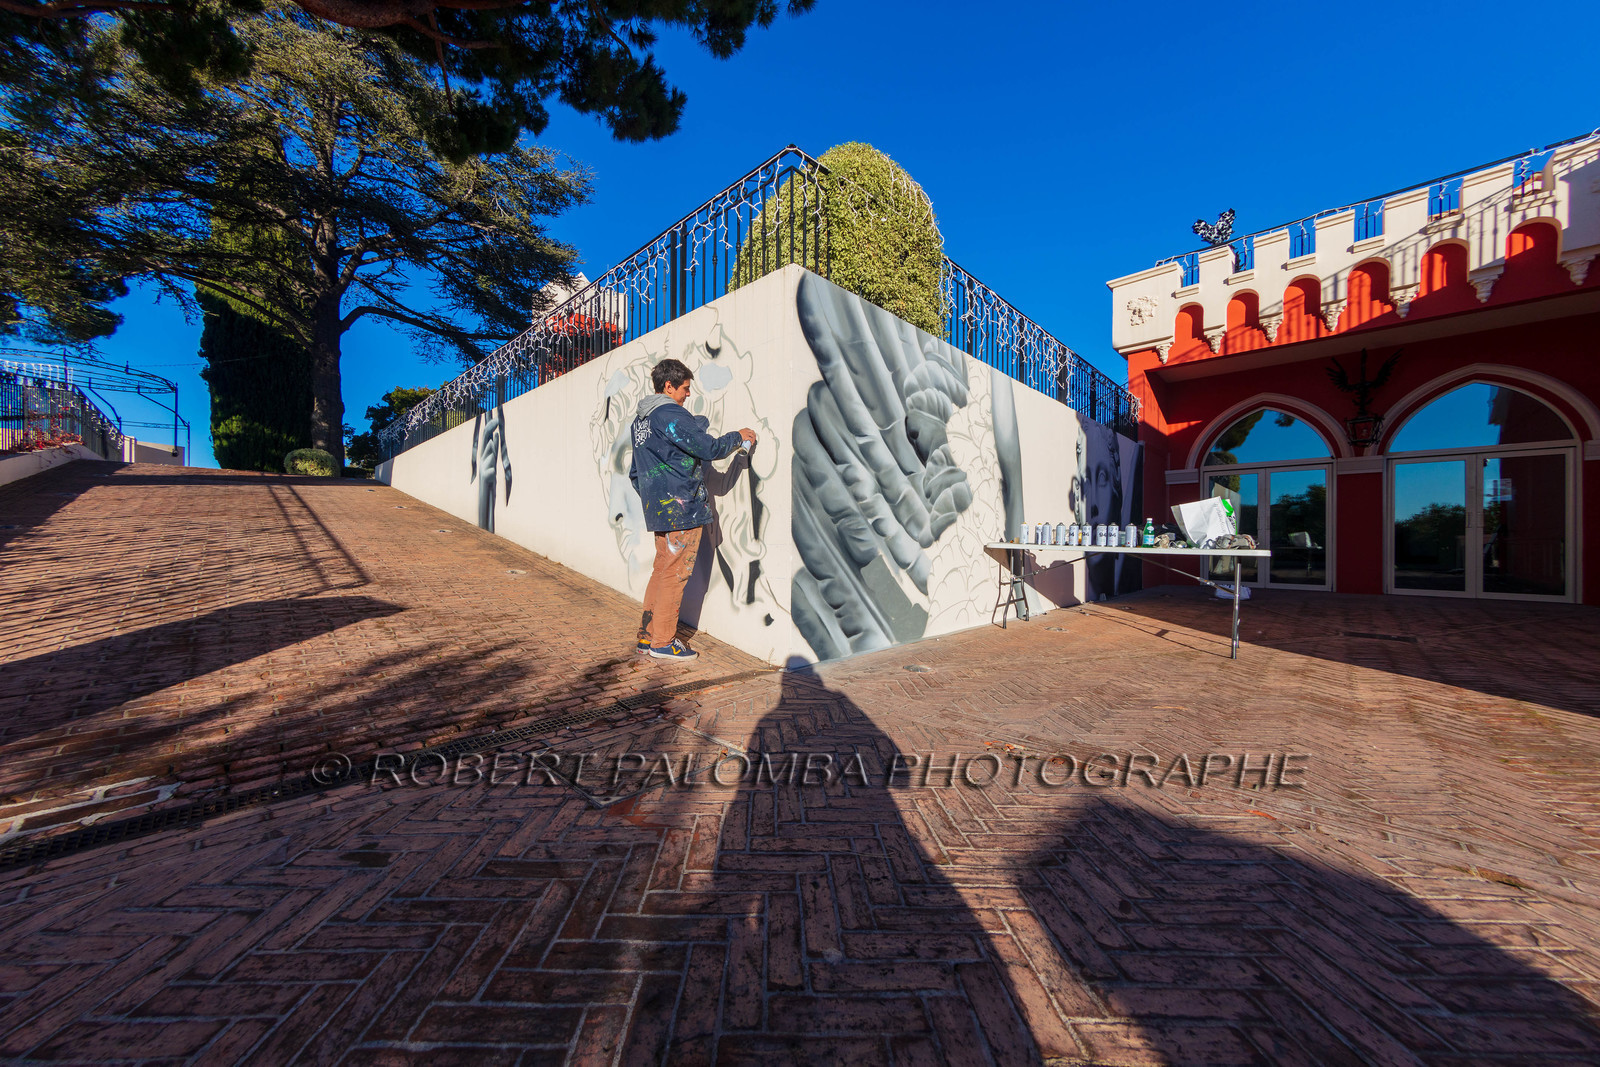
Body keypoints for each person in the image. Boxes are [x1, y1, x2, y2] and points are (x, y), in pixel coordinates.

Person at [629, 358, 756, 660]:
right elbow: (709, 448)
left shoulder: (640, 423)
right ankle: (663, 642)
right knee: (675, 575)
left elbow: (635, 474)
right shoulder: (670, 414)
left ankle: (648, 637)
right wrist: (739, 437)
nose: (688, 394)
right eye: (685, 388)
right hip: (682, 512)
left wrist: (655, 498)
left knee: (661, 571)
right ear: (668, 386)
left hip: (659, 512)